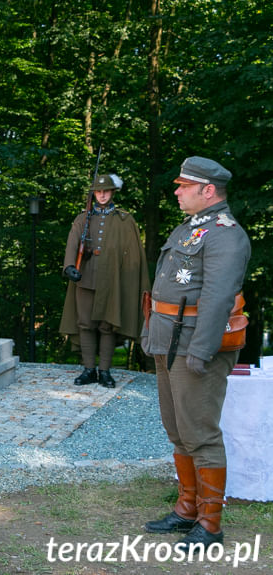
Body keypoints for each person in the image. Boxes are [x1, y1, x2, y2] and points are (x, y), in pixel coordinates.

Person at [141, 157, 251, 551]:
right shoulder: (191, 228)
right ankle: (187, 508)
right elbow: (164, 289)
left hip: (193, 347)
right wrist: (150, 333)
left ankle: (210, 523)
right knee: (178, 431)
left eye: (184, 185)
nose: (177, 190)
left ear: (208, 191)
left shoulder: (225, 234)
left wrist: (201, 352)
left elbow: (219, 298)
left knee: (200, 434)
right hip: (168, 342)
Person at [59, 173, 149, 388]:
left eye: (106, 191)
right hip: (86, 278)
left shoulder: (125, 220)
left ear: (112, 192)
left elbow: (132, 255)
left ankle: (105, 371)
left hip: (113, 280)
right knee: (86, 325)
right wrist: (70, 266)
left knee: (108, 325)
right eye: (98, 191)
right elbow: (72, 242)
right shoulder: (83, 218)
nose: (102, 195)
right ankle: (89, 369)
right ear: (93, 194)